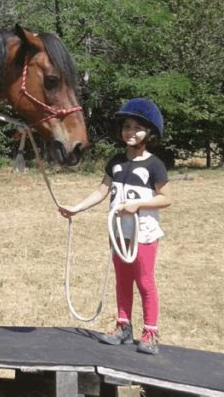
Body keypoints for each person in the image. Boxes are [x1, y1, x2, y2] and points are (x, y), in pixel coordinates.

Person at [58, 98, 172, 355]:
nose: (130, 132)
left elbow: (166, 198)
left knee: (144, 281)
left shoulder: (154, 165)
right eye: (127, 127)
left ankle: (151, 332)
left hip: (143, 233)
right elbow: (101, 191)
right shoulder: (117, 162)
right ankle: (123, 326)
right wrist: (76, 208)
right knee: (122, 280)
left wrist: (138, 205)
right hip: (119, 233)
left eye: (137, 128)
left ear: (150, 133)